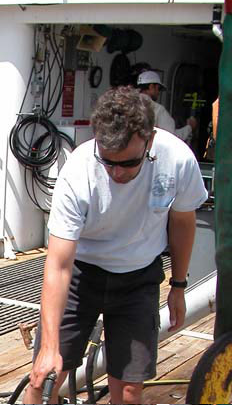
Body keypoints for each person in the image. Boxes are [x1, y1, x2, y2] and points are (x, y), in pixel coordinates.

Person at [25, 86, 207, 404]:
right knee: (44, 380)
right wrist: (50, 346)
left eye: (128, 164)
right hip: (81, 274)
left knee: (129, 389)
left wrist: (179, 284)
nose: (116, 173)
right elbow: (58, 264)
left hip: (139, 278)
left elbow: (182, 221)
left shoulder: (178, 160)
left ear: (150, 140)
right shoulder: (78, 172)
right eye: (108, 163)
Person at [137, 70, 197, 143]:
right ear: (151, 86)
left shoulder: (127, 106)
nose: (158, 93)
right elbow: (171, 137)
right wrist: (189, 127)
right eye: (158, 88)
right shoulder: (158, 109)